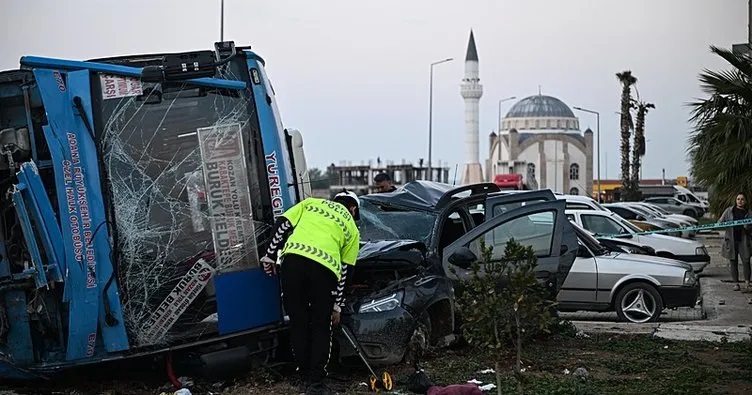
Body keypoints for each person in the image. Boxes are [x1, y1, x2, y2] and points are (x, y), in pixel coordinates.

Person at [261, 191, 361, 395]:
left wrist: (270, 255)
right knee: (320, 325)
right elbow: (345, 270)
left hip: (292, 263)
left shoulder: (310, 203)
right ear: (353, 209)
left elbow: (282, 224)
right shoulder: (351, 226)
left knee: (298, 322)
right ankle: (315, 384)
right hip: (324, 271)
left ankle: (303, 376)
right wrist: (337, 305)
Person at [719, 192, 752, 291]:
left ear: (745, 201)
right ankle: (736, 283)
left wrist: (748, 227)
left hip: (744, 240)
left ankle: (747, 283)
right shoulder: (729, 211)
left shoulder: (749, 213)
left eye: (742, 199)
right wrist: (724, 224)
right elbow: (720, 222)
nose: (740, 201)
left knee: (746, 261)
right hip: (731, 240)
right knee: (733, 262)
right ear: (735, 200)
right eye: (738, 199)